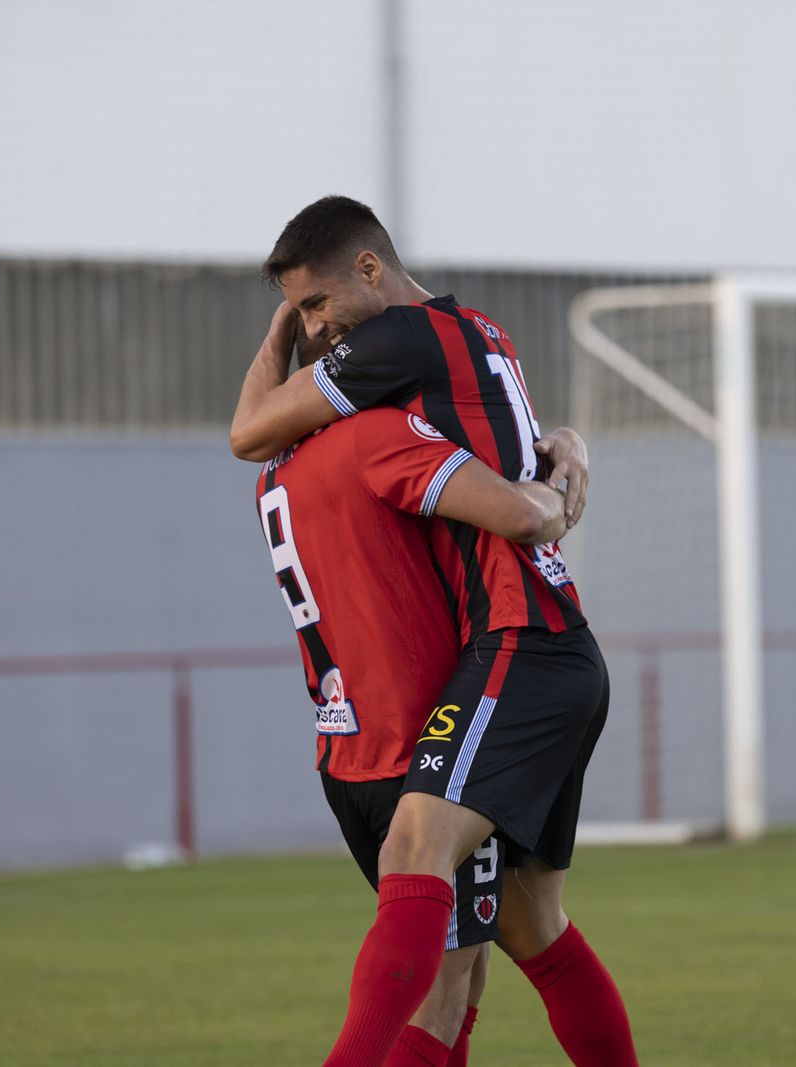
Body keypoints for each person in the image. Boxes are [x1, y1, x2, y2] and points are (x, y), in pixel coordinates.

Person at [232, 196, 636, 1066]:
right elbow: (536, 446)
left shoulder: (389, 363)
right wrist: (570, 452)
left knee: (420, 860)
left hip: (518, 640)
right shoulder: (483, 336)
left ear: (372, 269)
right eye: (303, 315)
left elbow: (248, 431)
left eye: (315, 304)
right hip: (551, 639)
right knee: (532, 928)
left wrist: (543, 507)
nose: (318, 330)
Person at [250, 321, 572, 1064]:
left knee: (464, 971)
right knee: (447, 989)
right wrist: (558, 470)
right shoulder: (378, 439)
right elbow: (515, 509)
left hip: (343, 753)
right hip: (420, 740)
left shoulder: (272, 475)